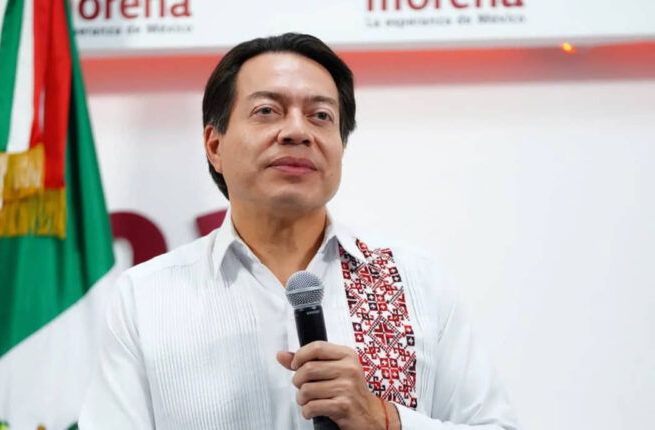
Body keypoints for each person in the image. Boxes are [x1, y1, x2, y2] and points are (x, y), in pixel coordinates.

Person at [79, 33, 519, 429]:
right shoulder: (147, 297)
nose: (296, 131)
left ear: (341, 146)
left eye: (320, 116)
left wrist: (384, 421)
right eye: (267, 111)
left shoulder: (413, 282)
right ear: (215, 145)